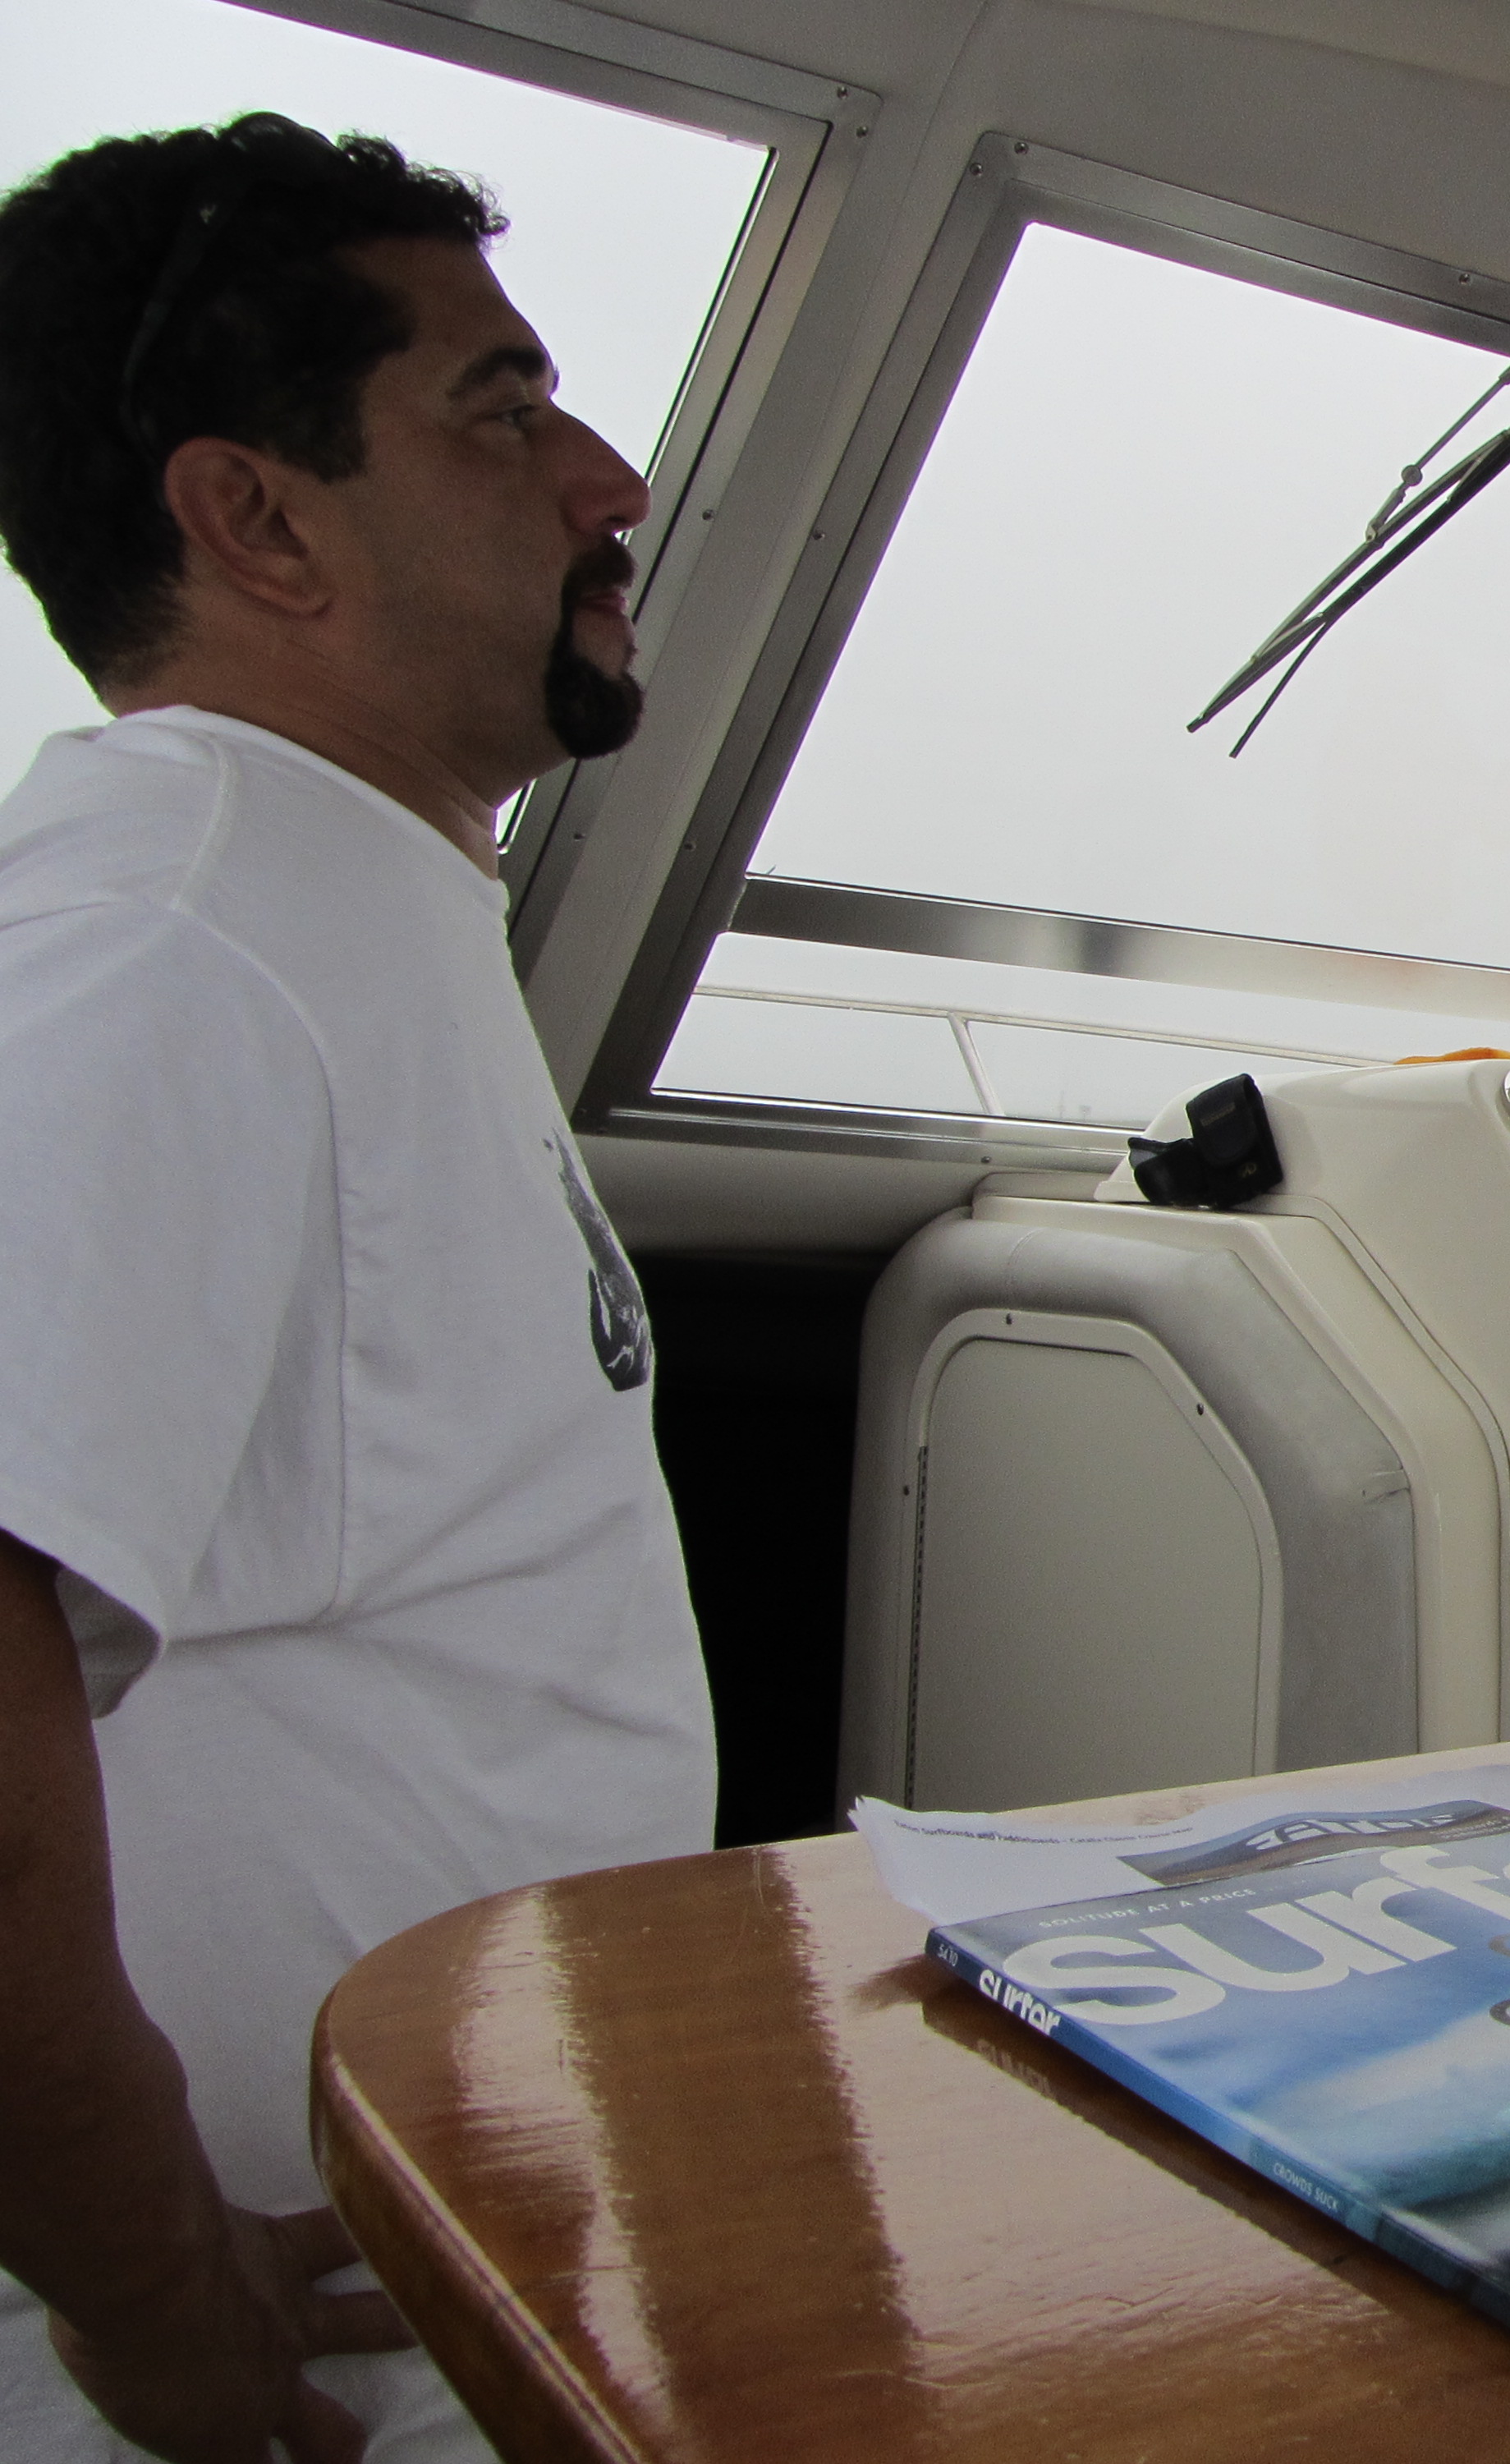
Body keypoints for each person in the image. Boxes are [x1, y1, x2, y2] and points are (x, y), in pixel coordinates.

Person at [0, 116, 714, 2463]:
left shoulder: (334, 916)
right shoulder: (170, 946)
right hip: (267, 2383)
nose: (610, 482)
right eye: (500, 414)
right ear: (260, 521)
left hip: (467, 2286)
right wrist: (156, 2314)